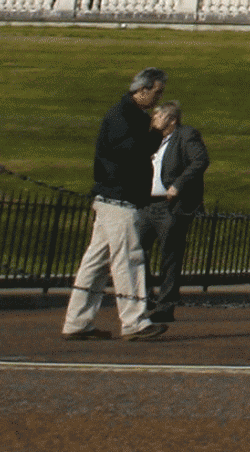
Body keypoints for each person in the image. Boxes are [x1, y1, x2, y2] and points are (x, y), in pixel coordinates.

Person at [63, 66, 168, 341]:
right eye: (156, 92)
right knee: (129, 259)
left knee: (95, 263)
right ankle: (134, 322)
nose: (158, 98)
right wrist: (157, 133)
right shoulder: (123, 116)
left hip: (111, 197)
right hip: (119, 198)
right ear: (142, 90)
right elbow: (132, 153)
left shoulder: (127, 114)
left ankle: (77, 322)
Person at [141, 100, 208, 325]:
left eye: (157, 117)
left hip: (171, 206)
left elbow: (200, 161)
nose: (153, 120)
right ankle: (145, 298)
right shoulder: (153, 139)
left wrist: (179, 185)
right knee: (136, 249)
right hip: (148, 204)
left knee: (170, 256)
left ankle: (165, 306)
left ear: (171, 119)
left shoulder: (185, 135)